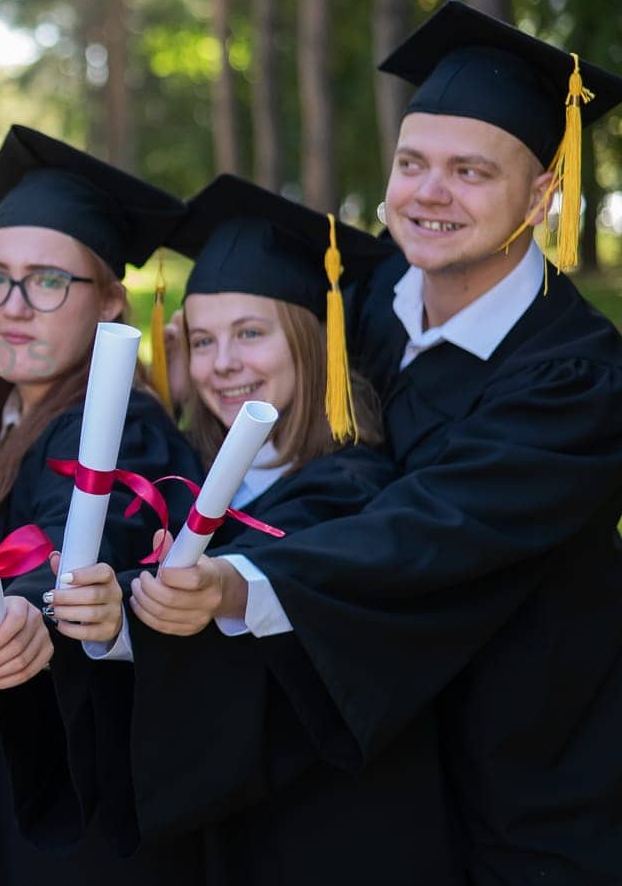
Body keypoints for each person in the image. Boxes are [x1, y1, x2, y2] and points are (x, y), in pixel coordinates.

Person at [138, 0, 622, 883]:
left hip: (528, 786)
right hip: (381, 772)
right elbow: (269, 385)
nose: (430, 193)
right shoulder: (368, 305)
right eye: (412, 164)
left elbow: (434, 526)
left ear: (543, 192)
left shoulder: (576, 375)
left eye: (471, 171)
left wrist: (244, 580)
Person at [39, 173, 462, 884]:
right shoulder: (191, 478)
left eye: (251, 333)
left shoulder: (357, 487)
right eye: (202, 340)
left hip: (345, 835)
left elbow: (278, 588)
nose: (223, 363)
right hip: (230, 838)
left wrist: (144, 615)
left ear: (310, 339)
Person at [0, 125, 203, 882]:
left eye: (48, 280)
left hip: (88, 812)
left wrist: (28, 604)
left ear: (113, 304)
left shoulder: (125, 429)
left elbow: (85, 528)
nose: (12, 304)